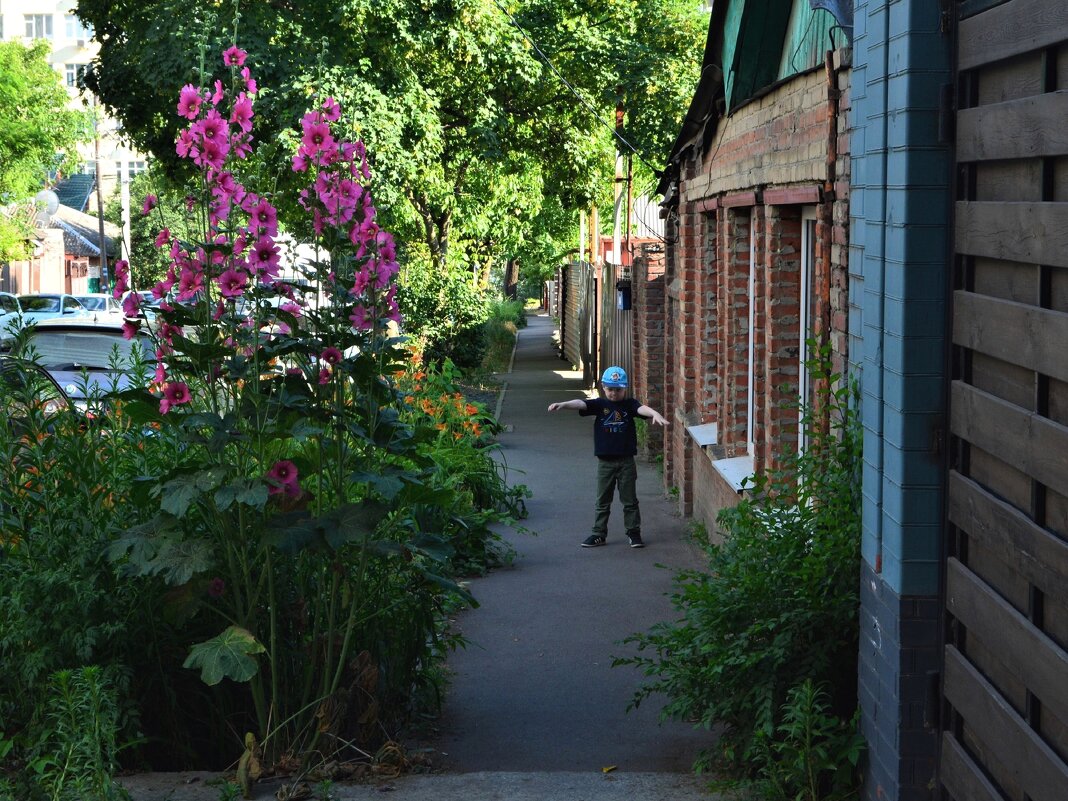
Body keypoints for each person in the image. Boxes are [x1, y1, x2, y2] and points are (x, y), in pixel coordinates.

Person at [547, 366, 669, 548]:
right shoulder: (600, 405)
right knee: (602, 500)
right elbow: (581, 403)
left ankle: (634, 533)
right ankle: (598, 533)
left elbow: (642, 409)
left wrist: (654, 413)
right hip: (605, 463)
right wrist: (563, 405)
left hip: (626, 462)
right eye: (610, 389)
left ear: (625, 388)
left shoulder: (629, 405)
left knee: (630, 500)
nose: (614, 393)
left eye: (618, 389)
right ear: (604, 387)